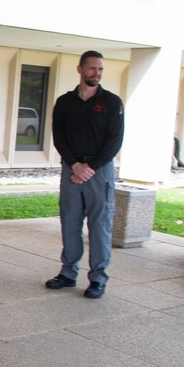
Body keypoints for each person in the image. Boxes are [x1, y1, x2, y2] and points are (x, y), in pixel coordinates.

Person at [45, 50, 124, 299]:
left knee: (99, 225)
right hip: (71, 169)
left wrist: (89, 168)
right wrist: (75, 165)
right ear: (80, 69)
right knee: (70, 221)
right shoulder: (65, 102)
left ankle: (98, 278)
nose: (96, 73)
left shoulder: (112, 102)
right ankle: (68, 273)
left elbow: (114, 141)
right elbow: (59, 138)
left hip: (99, 171)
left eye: (100, 69)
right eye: (92, 68)